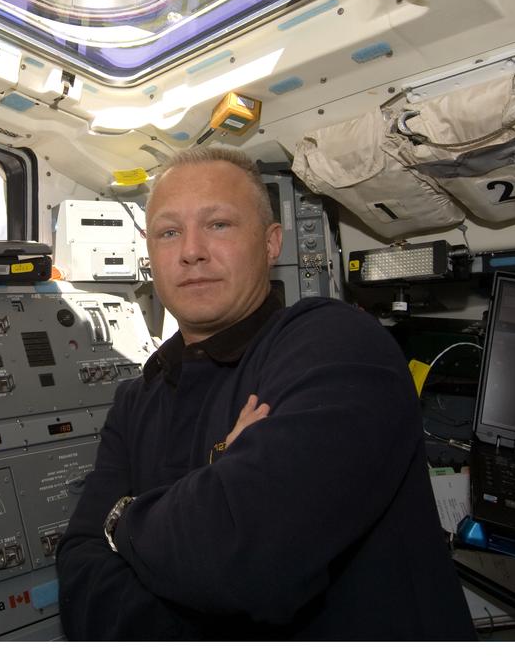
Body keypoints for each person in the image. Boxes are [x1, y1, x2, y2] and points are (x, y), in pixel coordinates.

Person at [55, 146, 474, 640]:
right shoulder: (136, 398)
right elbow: (81, 580)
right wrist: (209, 501)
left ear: (272, 244)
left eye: (218, 225)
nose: (191, 251)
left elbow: (244, 558)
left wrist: (122, 519)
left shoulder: (335, 343)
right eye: (169, 232)